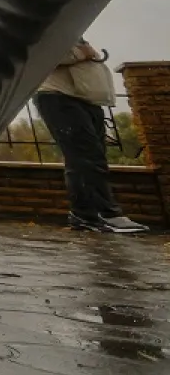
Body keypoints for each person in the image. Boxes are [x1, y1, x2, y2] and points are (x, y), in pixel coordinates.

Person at [34, 38, 149, 234]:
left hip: (84, 98)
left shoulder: (71, 26)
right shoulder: (45, 26)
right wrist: (83, 53)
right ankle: (106, 214)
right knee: (86, 157)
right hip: (58, 96)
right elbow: (42, 57)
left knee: (90, 157)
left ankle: (84, 215)